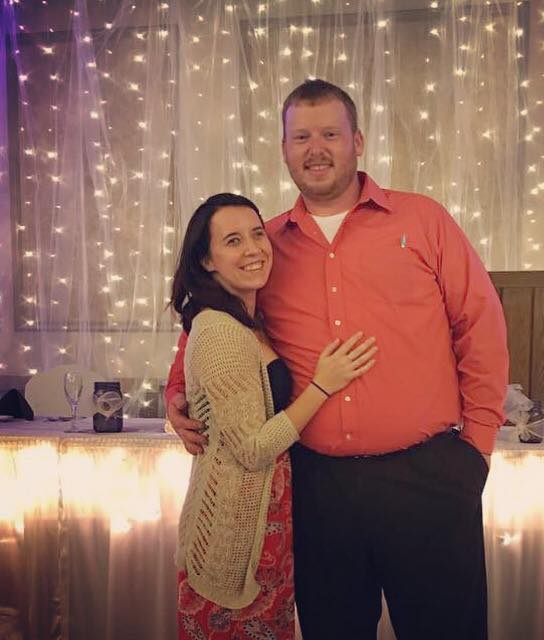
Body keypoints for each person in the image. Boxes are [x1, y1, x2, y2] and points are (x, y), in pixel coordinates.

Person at [166, 80, 509, 640]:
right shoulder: (262, 246)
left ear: (358, 142)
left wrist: (476, 449)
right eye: (301, 137)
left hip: (429, 477)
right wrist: (176, 396)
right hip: (316, 489)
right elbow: (207, 321)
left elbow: (481, 325)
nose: (315, 149)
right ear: (284, 149)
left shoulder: (422, 220)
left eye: (330, 133)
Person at [168, 192, 377, 640]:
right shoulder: (220, 332)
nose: (253, 249)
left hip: (267, 531)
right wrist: (324, 384)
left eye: (257, 234)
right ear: (206, 260)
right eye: (233, 241)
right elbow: (252, 448)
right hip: (233, 538)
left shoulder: (248, 318)